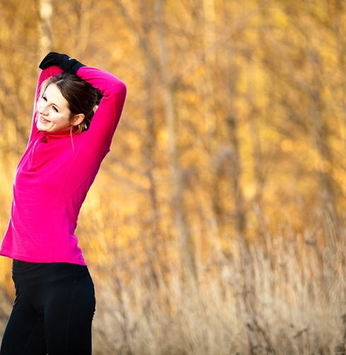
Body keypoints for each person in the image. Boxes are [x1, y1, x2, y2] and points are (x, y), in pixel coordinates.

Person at [0, 52, 127, 355]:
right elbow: (48, 70)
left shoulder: (85, 149)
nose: (42, 110)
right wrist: (58, 69)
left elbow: (116, 89)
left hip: (62, 285)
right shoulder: (38, 139)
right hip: (27, 287)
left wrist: (74, 65)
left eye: (54, 107)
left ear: (77, 119)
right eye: (43, 100)